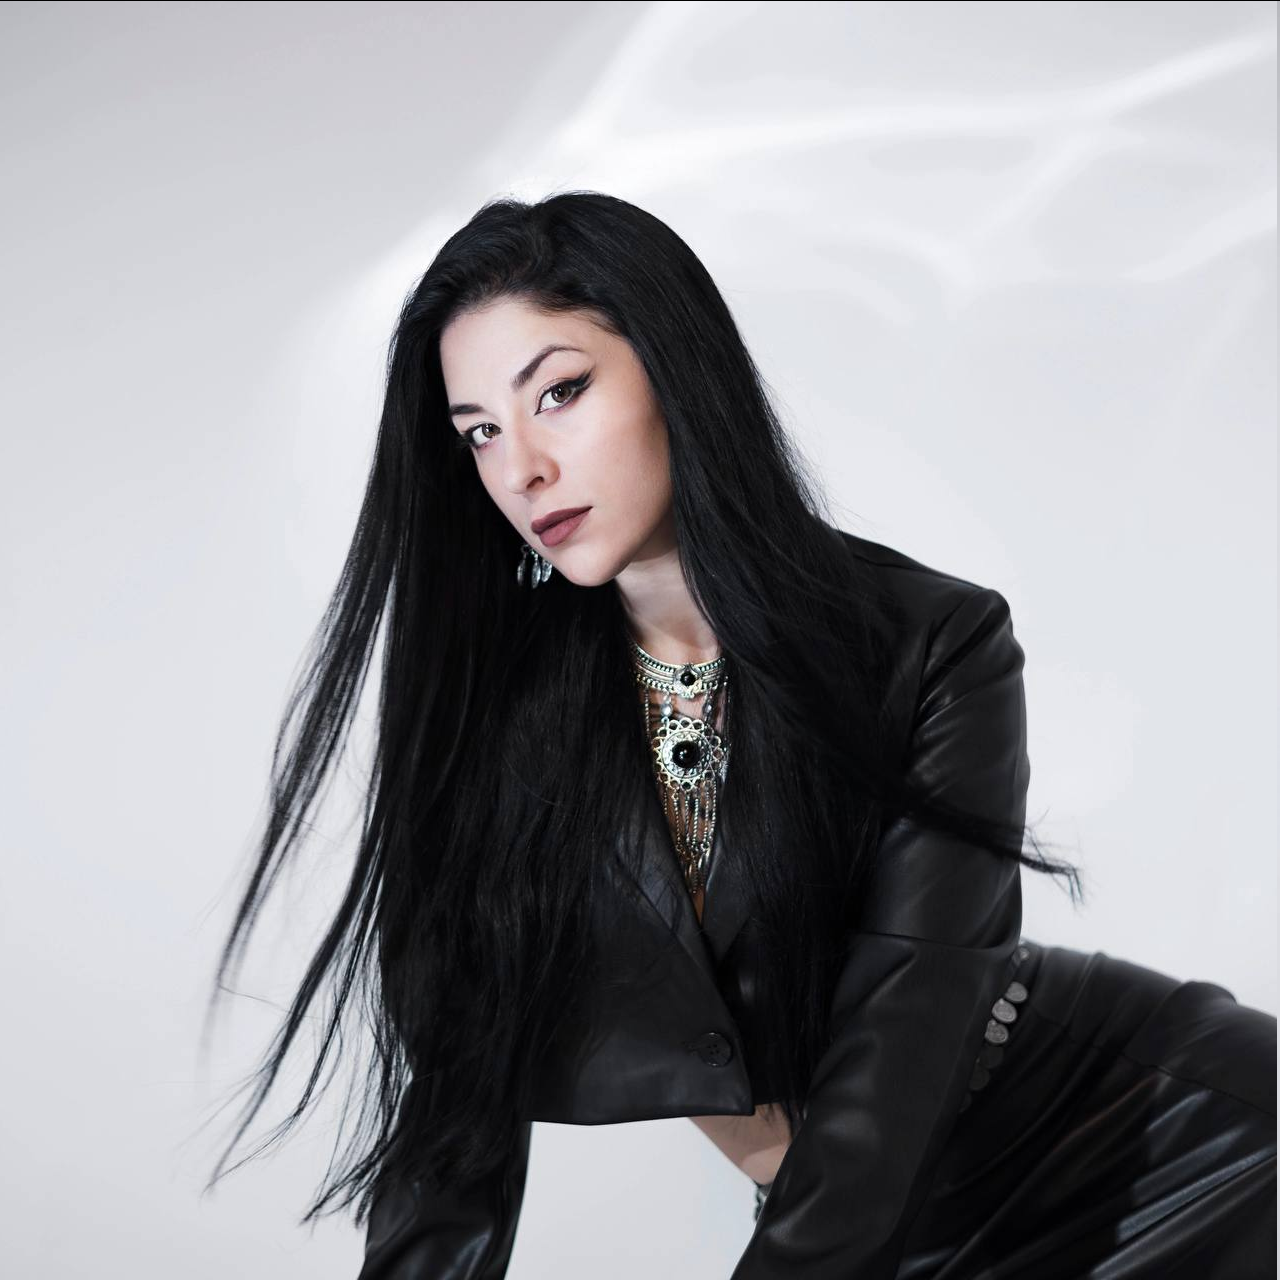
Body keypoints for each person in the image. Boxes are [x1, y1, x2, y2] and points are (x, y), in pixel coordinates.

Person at [205, 192, 1276, 1278]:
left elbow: (899, 1049)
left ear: (676, 370)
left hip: (1172, 1143)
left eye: (559, 393)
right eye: (479, 431)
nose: (519, 468)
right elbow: (455, 1111)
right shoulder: (501, 709)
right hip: (863, 1230)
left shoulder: (928, 643)